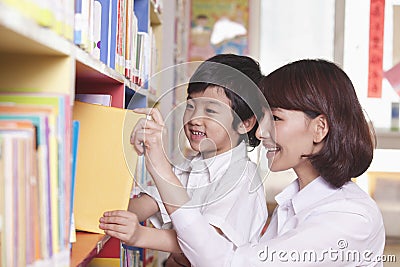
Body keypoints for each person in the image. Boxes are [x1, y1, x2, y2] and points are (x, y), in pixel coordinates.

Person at [126, 59, 386, 266]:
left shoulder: (349, 218)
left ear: (319, 128)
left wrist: (159, 166)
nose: (261, 134)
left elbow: (228, 262)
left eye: (275, 118)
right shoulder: (294, 201)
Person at [99, 54, 268, 266]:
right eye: (190, 105)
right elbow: (145, 204)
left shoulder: (243, 179)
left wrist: (139, 234)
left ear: (245, 123)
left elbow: (202, 242)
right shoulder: (191, 166)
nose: (195, 119)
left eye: (211, 111)